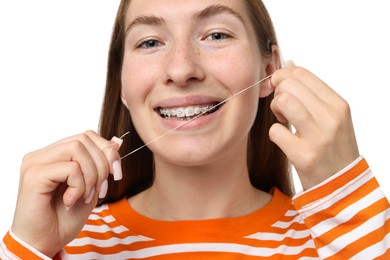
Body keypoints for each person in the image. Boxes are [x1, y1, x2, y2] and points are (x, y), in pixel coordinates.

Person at [1, 0, 389, 259]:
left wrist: (345, 194)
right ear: (120, 84)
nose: (181, 69)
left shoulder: (343, 239)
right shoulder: (61, 247)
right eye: (150, 41)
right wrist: (28, 247)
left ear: (269, 69)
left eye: (216, 35)